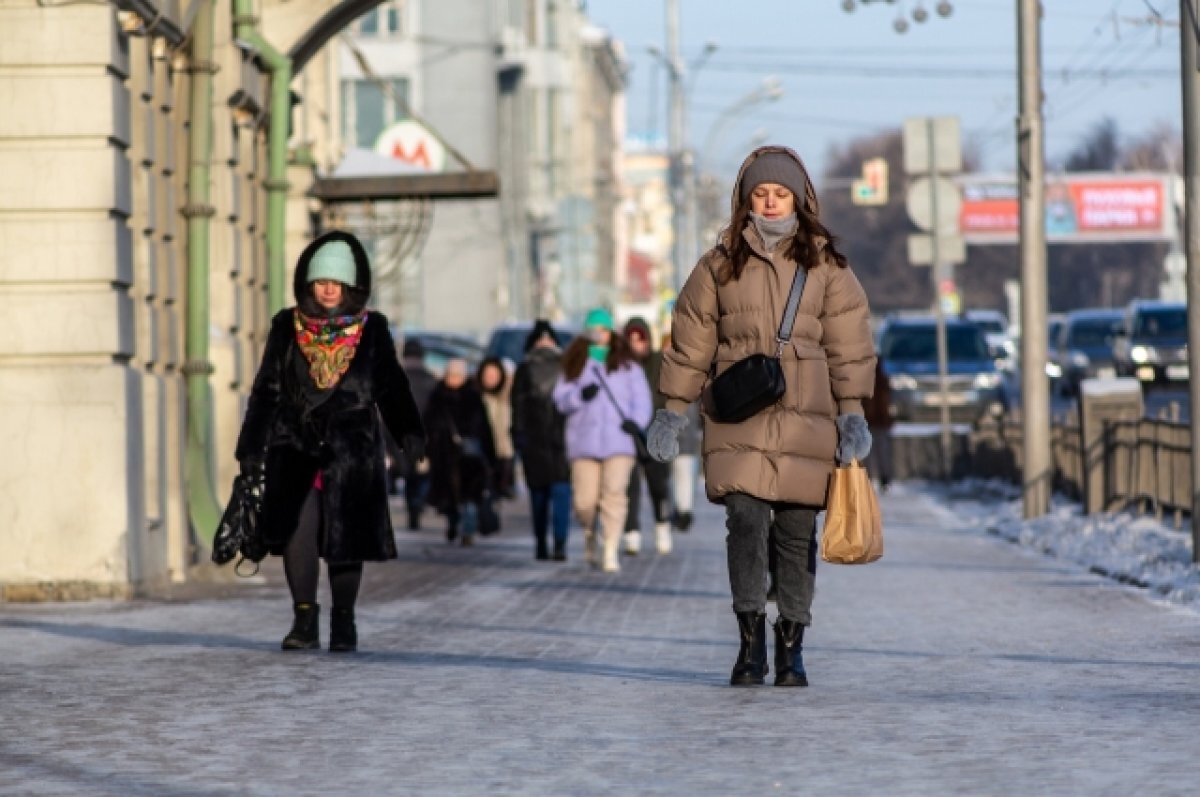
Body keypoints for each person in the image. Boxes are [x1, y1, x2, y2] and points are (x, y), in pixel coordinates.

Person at [647, 146, 876, 687]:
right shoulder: (719, 263)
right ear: (745, 198)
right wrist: (672, 411)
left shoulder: (827, 265)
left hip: (807, 416)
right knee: (745, 521)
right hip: (741, 412)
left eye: (780, 193)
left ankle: (792, 644)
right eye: (761, 193)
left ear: (799, 198)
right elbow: (690, 341)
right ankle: (749, 643)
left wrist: (851, 414)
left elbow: (851, 346)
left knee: (797, 532)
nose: (771, 202)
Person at [234, 230, 425, 653]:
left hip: (352, 450)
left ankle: (344, 620)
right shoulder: (287, 325)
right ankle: (304, 620)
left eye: (336, 282)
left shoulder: (371, 329)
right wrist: (251, 449)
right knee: (296, 533)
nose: (327, 289)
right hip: (294, 445)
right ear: (308, 282)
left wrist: (408, 433)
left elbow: (390, 384)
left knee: (346, 538)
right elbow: (266, 390)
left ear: (351, 286)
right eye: (321, 281)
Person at [553, 308, 652, 573]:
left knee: (614, 494)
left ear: (611, 332)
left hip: (619, 441)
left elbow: (642, 400)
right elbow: (560, 400)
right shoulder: (573, 362)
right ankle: (589, 531)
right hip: (583, 442)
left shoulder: (627, 364)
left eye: (604, 329)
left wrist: (636, 421)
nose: (599, 334)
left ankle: (610, 547)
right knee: (584, 501)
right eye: (594, 328)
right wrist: (579, 396)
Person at [511, 320, 572, 561]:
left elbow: (517, 407)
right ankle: (554, 543)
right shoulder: (563, 366)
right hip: (552, 439)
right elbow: (518, 406)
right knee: (553, 493)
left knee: (549, 494)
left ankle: (550, 543)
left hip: (548, 440)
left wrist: (518, 434)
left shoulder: (526, 368)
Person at [424, 358, 497, 546]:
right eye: (451, 375)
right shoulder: (437, 395)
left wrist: (490, 454)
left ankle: (468, 530)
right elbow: (427, 423)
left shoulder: (473, 396)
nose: (454, 379)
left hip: (469, 456)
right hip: (444, 455)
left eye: (457, 375)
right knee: (448, 496)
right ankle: (453, 523)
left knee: (470, 495)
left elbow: (484, 428)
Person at [621, 317, 674, 556]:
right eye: (630, 340)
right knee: (629, 487)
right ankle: (631, 531)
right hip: (629, 434)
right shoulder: (620, 365)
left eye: (639, 339)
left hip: (656, 434)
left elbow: (670, 394)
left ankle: (662, 525)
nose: (635, 345)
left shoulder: (659, 362)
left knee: (658, 486)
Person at [398, 338, 438, 528]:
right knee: (422, 474)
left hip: (401, 434)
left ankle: (412, 507)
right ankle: (418, 502)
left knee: (408, 476)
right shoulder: (430, 379)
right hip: (425, 434)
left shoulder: (396, 377)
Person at [477, 356, 516, 500]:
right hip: (482, 449)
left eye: (494, 376)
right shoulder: (477, 396)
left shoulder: (508, 398)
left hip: (504, 451)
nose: (491, 379)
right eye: (488, 375)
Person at [863, 356, 895, 491]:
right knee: (882, 450)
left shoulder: (865, 380)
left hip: (870, 419)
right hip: (880, 420)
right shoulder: (883, 380)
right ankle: (884, 478)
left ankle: (871, 478)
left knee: (869, 451)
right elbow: (887, 401)